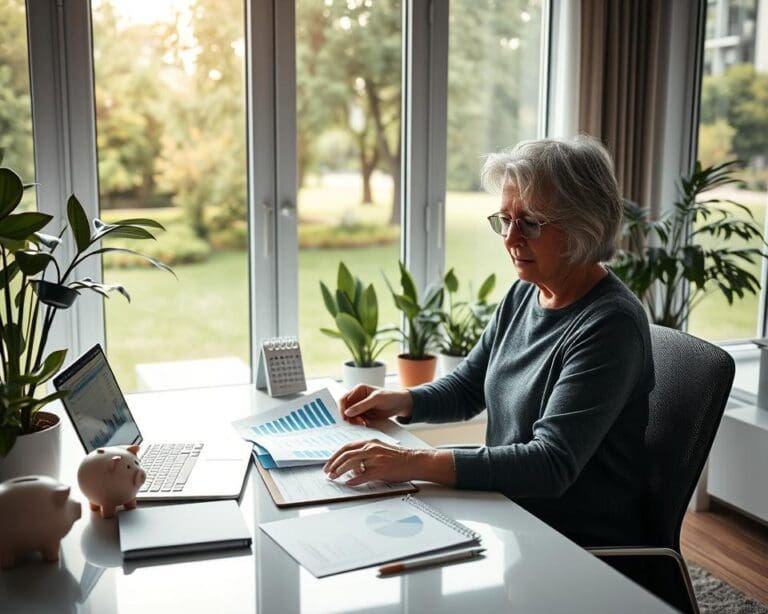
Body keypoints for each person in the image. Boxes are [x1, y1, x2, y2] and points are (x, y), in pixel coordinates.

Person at [323, 136, 655, 547]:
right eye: (505, 219)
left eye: (530, 222)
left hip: (574, 542)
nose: (511, 239)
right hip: (511, 511)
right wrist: (399, 400)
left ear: (581, 227)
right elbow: (468, 387)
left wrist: (411, 461)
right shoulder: (526, 293)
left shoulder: (610, 326)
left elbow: (550, 464)